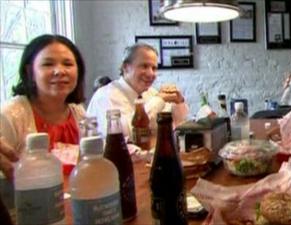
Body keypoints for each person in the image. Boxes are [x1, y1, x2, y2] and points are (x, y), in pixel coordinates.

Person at [0, 34, 86, 180]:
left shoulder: (78, 112)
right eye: (48, 64)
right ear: (30, 72)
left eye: (68, 64)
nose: (60, 71)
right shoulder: (10, 115)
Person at [87, 43, 189, 139]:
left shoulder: (151, 93)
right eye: (144, 66)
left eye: (154, 68)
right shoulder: (104, 96)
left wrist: (179, 101)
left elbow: (177, 124)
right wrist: (158, 100)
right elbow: (124, 135)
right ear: (126, 67)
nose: (150, 74)